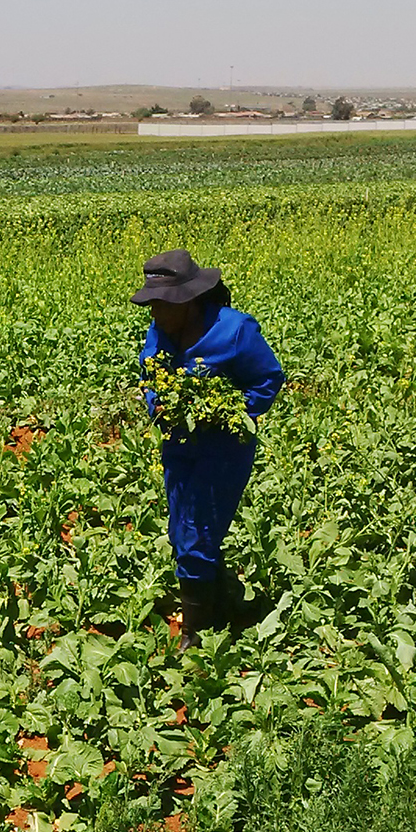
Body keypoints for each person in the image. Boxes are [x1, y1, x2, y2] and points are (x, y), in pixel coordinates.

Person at [133, 249, 286, 649]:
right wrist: (159, 404)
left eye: (161, 305)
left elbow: (267, 379)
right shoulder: (161, 329)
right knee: (183, 527)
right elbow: (150, 373)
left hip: (223, 449)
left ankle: (196, 632)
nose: (154, 314)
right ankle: (222, 606)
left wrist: (231, 413)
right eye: (151, 305)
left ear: (187, 301)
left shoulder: (234, 331)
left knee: (196, 532)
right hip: (178, 443)